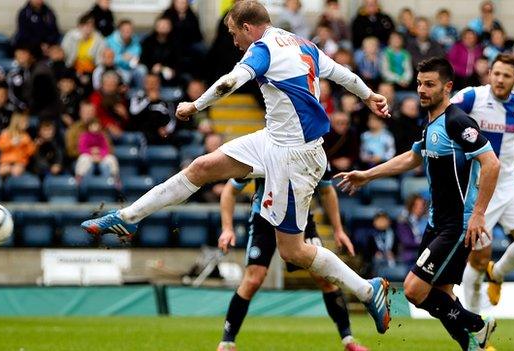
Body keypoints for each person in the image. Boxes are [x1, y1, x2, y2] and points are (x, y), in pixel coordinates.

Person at [82, 0, 392, 334]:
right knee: (201, 167)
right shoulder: (302, 43)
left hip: (294, 156)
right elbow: (343, 75)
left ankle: (366, 288)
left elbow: (230, 82)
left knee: (292, 251)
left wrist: (195, 105)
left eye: (233, 33)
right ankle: (127, 218)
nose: (233, 41)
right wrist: (369, 94)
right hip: (273, 139)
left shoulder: (262, 49)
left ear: (247, 27)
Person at [335, 57, 500, 350]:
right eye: (419, 84)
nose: (421, 90)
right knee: (442, 294)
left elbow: (491, 164)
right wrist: (367, 175)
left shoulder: (457, 121)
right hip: (437, 223)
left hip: (456, 225)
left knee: (413, 290)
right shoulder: (431, 124)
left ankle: (475, 321)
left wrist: (478, 214)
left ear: (448, 87)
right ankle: (474, 344)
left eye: (429, 84)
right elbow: (412, 157)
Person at [217, 170, 367, 351]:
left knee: (324, 278)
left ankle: (348, 340)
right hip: (264, 220)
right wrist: (227, 228)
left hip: (300, 218)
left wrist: (338, 230)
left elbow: (327, 191)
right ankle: (227, 342)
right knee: (253, 279)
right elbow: (230, 190)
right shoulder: (262, 152)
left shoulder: (314, 153)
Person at [452, 54, 514, 313]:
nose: (499, 79)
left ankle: (496, 273)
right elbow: (443, 116)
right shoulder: (472, 98)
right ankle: (474, 326)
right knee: (477, 259)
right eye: (496, 73)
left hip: (509, 184)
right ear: (489, 74)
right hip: (478, 190)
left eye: (506, 75)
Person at [129, 74, 176, 145]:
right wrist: (148, 99)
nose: (151, 85)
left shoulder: (167, 101)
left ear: (159, 84)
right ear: (144, 84)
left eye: (154, 83)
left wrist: (167, 130)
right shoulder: (137, 98)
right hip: (143, 133)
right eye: (148, 83)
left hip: (163, 133)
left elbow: (173, 118)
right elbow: (134, 112)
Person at [61, 13, 106, 78]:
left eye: (92, 26)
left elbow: (99, 60)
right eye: (86, 25)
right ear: (80, 26)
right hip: (72, 68)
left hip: (91, 70)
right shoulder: (70, 36)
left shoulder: (99, 39)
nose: (89, 28)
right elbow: (64, 53)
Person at [106, 19, 146, 89]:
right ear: (119, 30)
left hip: (131, 68)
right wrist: (122, 58)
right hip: (116, 68)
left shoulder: (135, 40)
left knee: (142, 70)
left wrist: (130, 59)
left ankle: (141, 93)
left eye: (129, 29)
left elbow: (137, 53)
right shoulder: (109, 41)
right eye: (124, 29)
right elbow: (108, 59)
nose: (127, 31)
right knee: (125, 76)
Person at [0, 113, 36, 178]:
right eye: (24, 122)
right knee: (1, 171)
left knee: (16, 171)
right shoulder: (5, 134)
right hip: (6, 161)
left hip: (19, 162)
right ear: (17, 122)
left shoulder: (26, 137)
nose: (26, 124)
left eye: (27, 122)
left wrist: (27, 143)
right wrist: (11, 143)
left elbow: (31, 152)